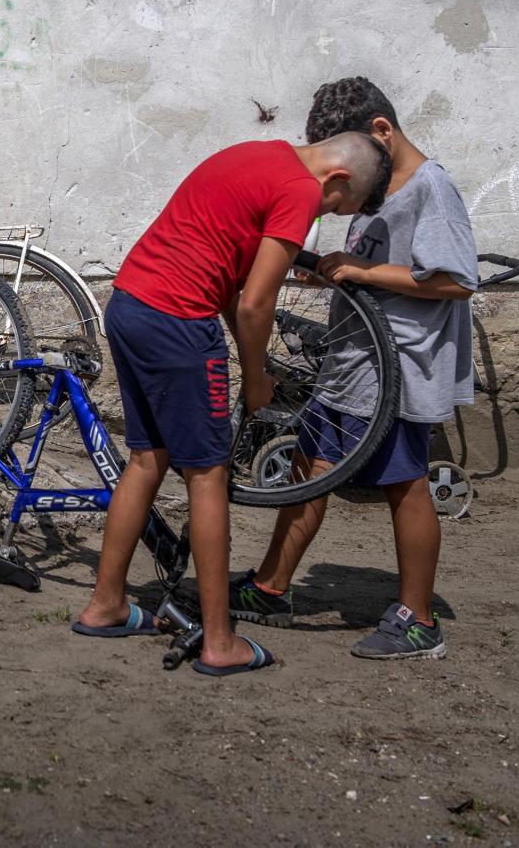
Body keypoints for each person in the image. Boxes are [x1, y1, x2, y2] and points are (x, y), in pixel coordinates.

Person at [72, 131, 392, 675]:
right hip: (177, 322)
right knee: (209, 477)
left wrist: (242, 351)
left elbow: (228, 278)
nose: (327, 215)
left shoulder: (259, 154)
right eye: (339, 207)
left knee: (148, 458)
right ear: (336, 179)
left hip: (130, 304)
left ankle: (107, 605)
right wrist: (256, 373)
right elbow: (255, 304)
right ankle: (220, 641)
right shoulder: (299, 191)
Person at [230, 78, 478, 659]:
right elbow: (365, 265)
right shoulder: (378, 190)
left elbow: (456, 280)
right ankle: (271, 588)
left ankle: (419, 620)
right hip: (352, 366)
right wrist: (334, 270)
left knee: (403, 483)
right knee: (308, 465)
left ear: (381, 133)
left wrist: (361, 274)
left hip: (399, 366)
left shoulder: (429, 188)